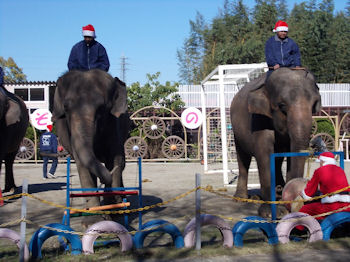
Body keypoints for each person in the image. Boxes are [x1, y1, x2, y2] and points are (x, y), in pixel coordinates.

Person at [299, 152, 350, 220]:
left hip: (331, 206)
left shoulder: (319, 171)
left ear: (323, 161)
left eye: (320, 162)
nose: (319, 164)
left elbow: (309, 193)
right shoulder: (340, 169)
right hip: (346, 205)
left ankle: (300, 230)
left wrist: (302, 194)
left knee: (305, 209)